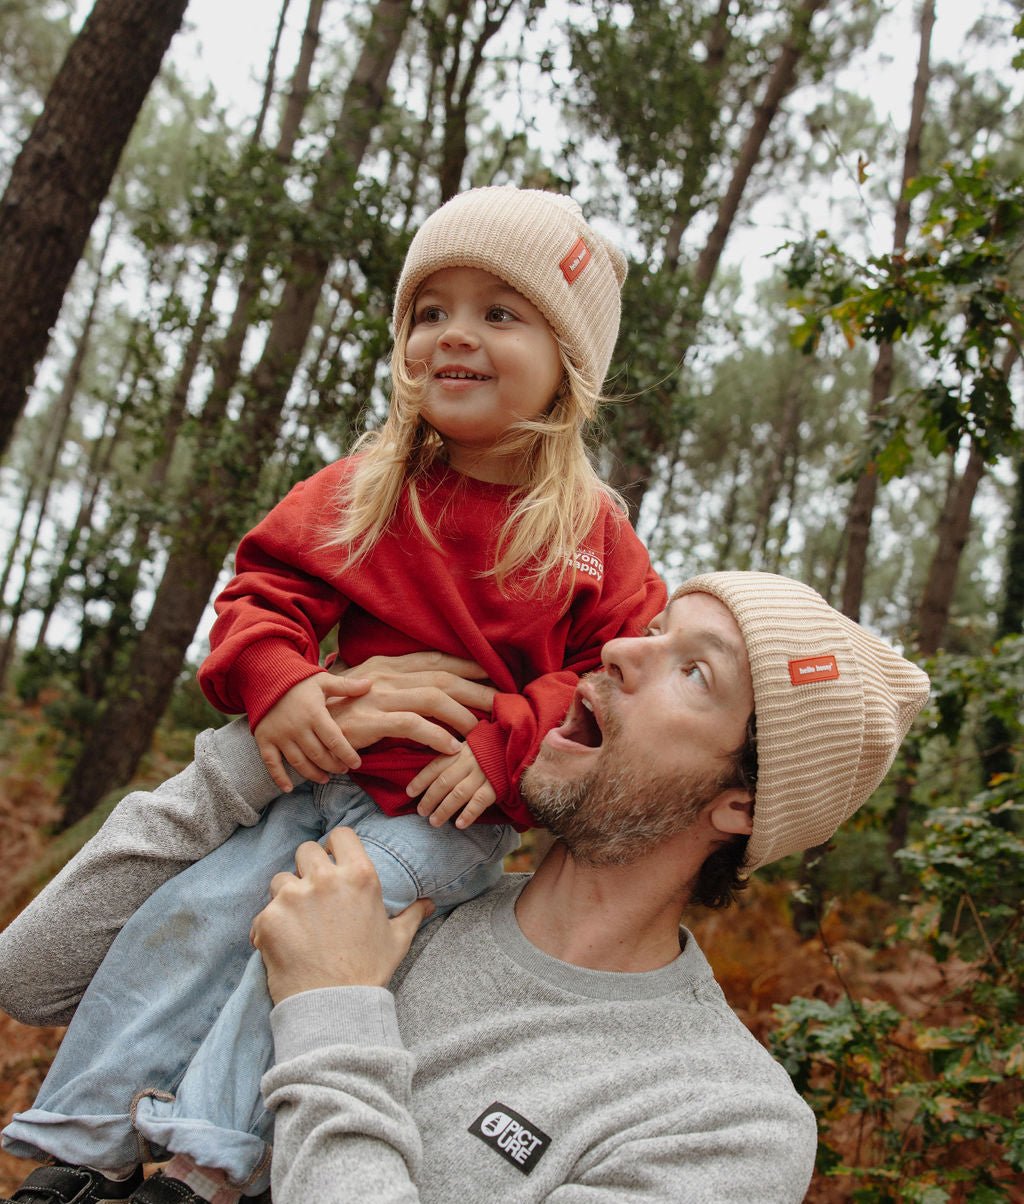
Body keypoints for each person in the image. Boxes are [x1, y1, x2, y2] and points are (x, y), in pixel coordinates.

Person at [0, 187, 665, 1204]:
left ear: (569, 360)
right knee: (191, 912)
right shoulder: (368, 486)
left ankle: (204, 1168)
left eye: (499, 313)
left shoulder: (588, 532)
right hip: (312, 778)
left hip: (441, 820)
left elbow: (608, 677)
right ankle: (83, 1141)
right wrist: (281, 686)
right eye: (429, 311)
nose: (455, 335)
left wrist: (502, 746)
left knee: (315, 942)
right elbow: (263, 591)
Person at [0, 572, 930, 1202]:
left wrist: (332, 1011)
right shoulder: (398, 875)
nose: (619, 654)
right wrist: (277, 745)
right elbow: (32, 980)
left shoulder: (723, 1119)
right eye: (651, 630)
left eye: (694, 671)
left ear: (740, 804)